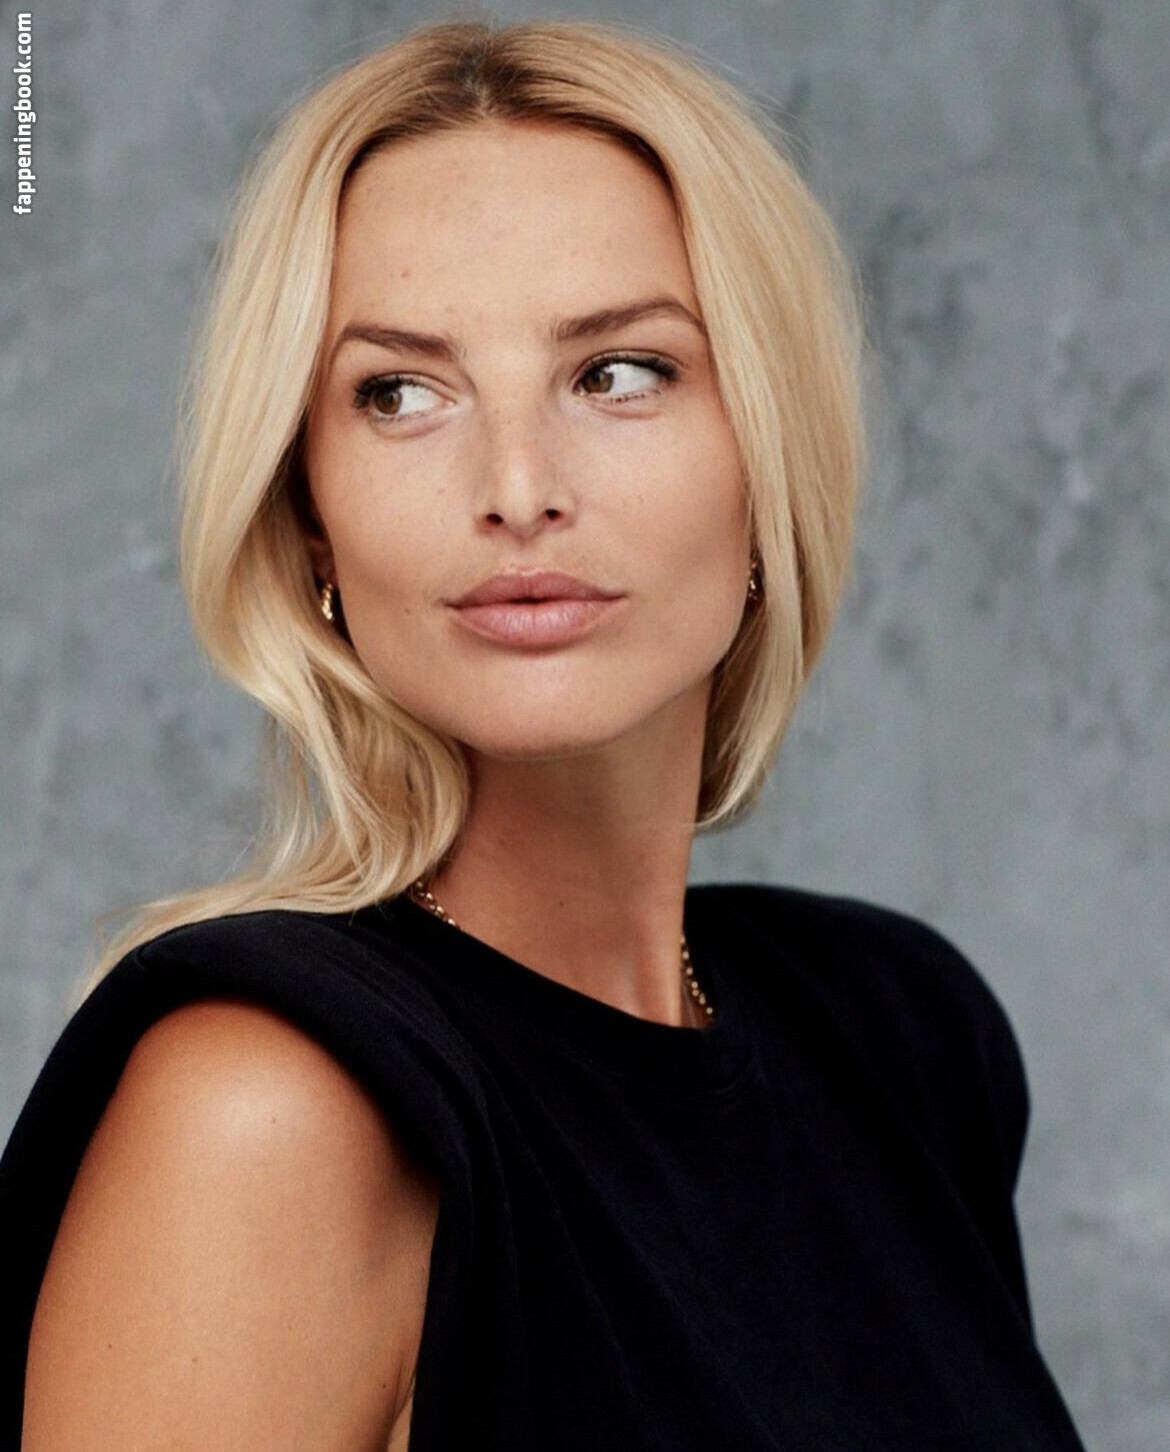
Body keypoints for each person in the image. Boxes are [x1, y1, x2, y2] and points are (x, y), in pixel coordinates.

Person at [0, 18, 1086, 1450]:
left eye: (619, 372)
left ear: (767, 454)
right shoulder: (270, 1104)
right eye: (400, 393)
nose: (516, 488)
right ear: (310, 513)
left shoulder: (900, 1037)